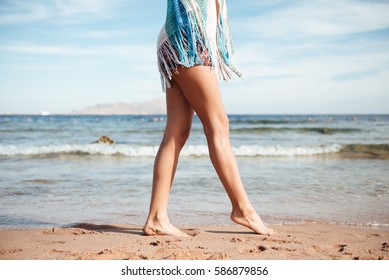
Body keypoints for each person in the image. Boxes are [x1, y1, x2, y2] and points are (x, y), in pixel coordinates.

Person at [143, 0, 276, 236]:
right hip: (188, 38)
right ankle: (242, 209)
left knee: (176, 132)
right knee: (218, 125)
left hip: (178, 38)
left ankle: (157, 217)